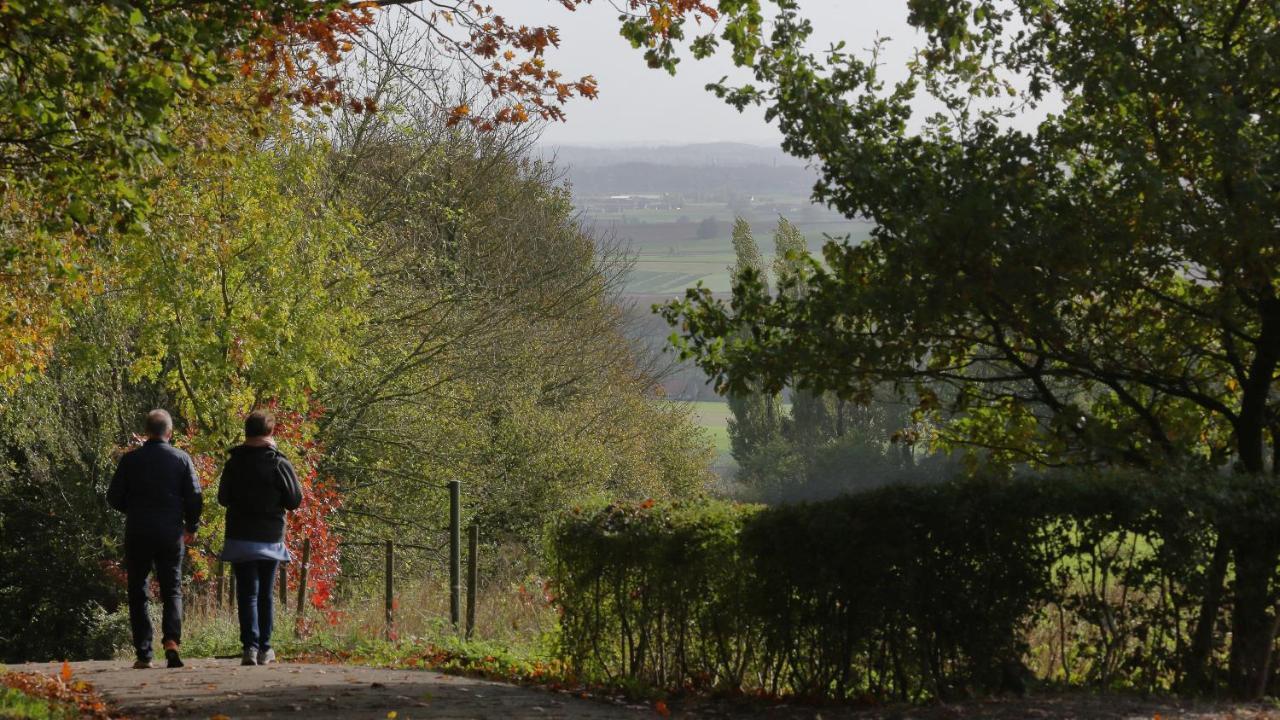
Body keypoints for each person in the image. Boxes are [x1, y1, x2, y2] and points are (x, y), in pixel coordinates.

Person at [107, 409, 203, 669]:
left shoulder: (130, 461)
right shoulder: (182, 459)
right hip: (170, 532)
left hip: (138, 530)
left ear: (147, 432)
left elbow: (113, 497)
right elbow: (194, 495)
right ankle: (171, 641)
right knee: (172, 588)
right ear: (169, 433)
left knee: (138, 590)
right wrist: (191, 525)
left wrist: (134, 508)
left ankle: (144, 653)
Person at [218, 410, 303, 666]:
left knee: (247, 594)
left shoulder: (234, 463)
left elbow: (223, 498)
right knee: (265, 593)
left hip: (240, 536)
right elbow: (294, 500)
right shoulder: (279, 463)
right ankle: (266, 647)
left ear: (247, 432)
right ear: (270, 432)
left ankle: (249, 648)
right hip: (270, 537)